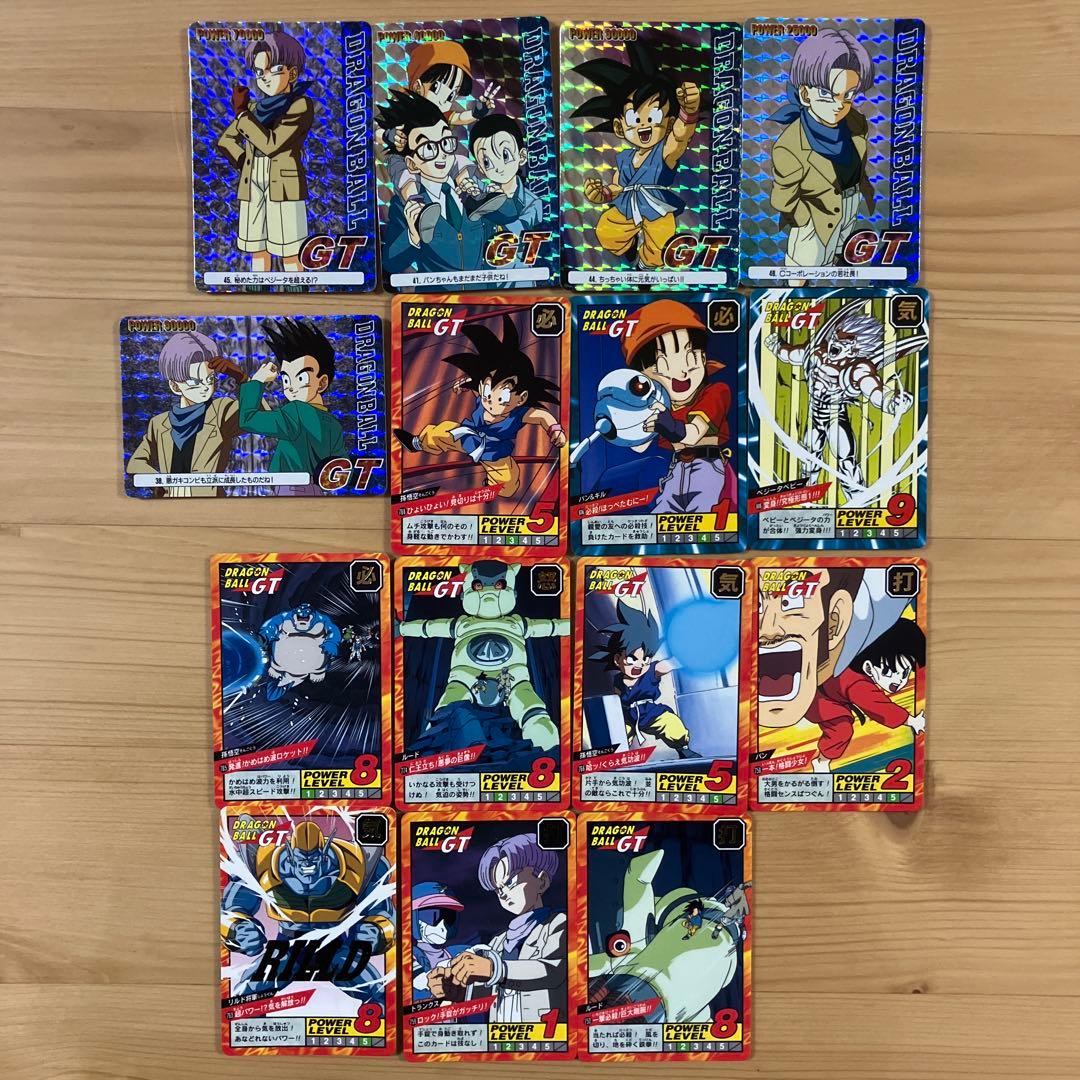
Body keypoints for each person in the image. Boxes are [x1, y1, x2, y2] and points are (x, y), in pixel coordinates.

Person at [393, 314, 564, 499]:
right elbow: (477, 386)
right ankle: (416, 443)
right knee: (441, 432)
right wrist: (465, 385)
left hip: (494, 454)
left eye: (502, 398)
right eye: (487, 393)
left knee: (508, 484)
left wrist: (555, 431)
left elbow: (542, 415)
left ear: (521, 398)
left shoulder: (519, 413)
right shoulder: (483, 396)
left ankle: (490, 486)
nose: (490, 401)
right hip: (466, 436)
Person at [571, 40, 700, 269]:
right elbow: (617, 185)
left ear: (669, 123)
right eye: (634, 119)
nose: (643, 126)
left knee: (661, 245)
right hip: (627, 205)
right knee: (606, 231)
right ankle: (628, 248)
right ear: (620, 127)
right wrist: (602, 194)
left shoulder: (665, 152)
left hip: (657, 208)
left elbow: (680, 137)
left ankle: (646, 265)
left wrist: (688, 112)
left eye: (653, 118)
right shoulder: (625, 159)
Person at [427, 833, 566, 1023]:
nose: (504, 894)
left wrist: (495, 969)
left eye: (510, 883)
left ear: (542, 881)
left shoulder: (558, 924)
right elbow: (489, 991)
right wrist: (457, 990)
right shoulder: (499, 942)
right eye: (498, 889)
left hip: (546, 1029)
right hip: (501, 1034)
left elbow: (554, 970)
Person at [767, 28, 875, 269]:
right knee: (802, 269)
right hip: (815, 218)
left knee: (840, 260)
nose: (839, 105)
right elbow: (782, 198)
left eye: (848, 95)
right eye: (827, 94)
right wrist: (805, 220)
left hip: (850, 204)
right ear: (806, 94)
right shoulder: (790, 146)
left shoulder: (856, 122)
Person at [217, 31, 314, 284]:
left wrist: (242, 116)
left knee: (290, 252)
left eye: (273, 70)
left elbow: (272, 145)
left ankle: (298, 297)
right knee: (257, 249)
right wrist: (243, 163)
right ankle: (258, 293)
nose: (265, 77)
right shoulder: (252, 109)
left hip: (283, 185)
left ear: (292, 73)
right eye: (260, 73)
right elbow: (226, 140)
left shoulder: (300, 105)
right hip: (252, 183)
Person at [126, 330, 244, 498]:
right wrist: (157, 481)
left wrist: (242, 379)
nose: (205, 387)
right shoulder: (159, 423)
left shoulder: (222, 411)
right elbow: (136, 463)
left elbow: (262, 418)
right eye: (195, 382)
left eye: (210, 379)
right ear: (175, 386)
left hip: (211, 503)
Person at [237, 317, 345, 493]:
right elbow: (341, 467)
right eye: (286, 379)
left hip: (291, 489)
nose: (291, 387)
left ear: (322, 383)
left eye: (301, 378)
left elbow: (247, 419)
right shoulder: (333, 424)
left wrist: (257, 381)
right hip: (317, 491)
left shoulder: (296, 412)